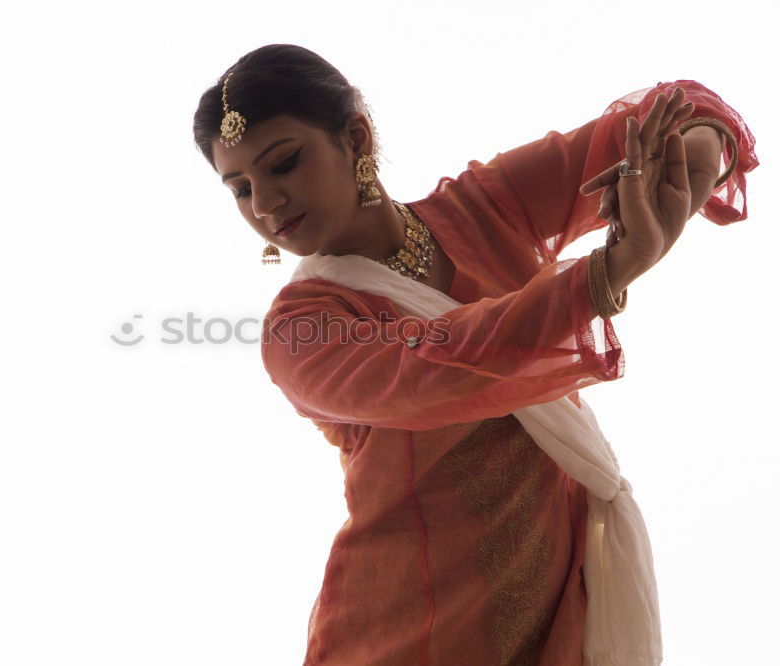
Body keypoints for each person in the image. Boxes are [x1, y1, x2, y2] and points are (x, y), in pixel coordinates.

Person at [192, 44, 758, 666]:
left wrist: (693, 156)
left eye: (285, 163)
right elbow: (442, 365)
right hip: (411, 631)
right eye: (241, 188)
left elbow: (672, 116)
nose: (265, 205)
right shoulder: (301, 329)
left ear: (355, 139)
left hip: (559, 605)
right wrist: (607, 270)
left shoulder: (486, 209)